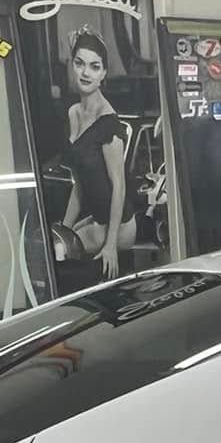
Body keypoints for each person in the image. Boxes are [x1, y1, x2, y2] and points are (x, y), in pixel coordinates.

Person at [61, 29, 134, 280]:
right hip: (96, 220)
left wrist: (111, 245)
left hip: (119, 226)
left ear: (103, 74)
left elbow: (119, 188)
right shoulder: (73, 113)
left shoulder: (109, 124)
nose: (85, 72)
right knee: (57, 245)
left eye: (94, 67)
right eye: (80, 64)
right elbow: (79, 184)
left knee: (60, 259)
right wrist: (64, 229)